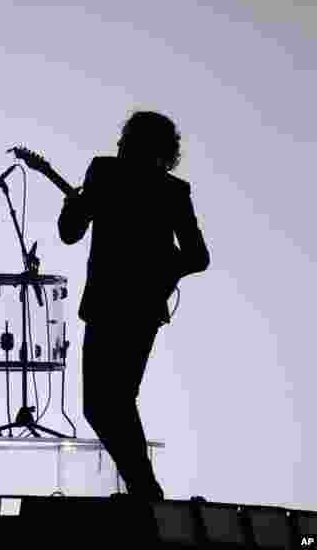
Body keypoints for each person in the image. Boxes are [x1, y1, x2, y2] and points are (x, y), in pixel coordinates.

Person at [55, 110, 209, 500]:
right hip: (143, 310)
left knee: (101, 405)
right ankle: (144, 489)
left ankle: (145, 489)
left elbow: (69, 233)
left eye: (124, 139)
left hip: (109, 305)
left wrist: (74, 206)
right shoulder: (173, 190)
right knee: (118, 401)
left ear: (132, 143)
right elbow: (196, 257)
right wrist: (161, 273)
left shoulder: (104, 173)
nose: (119, 145)